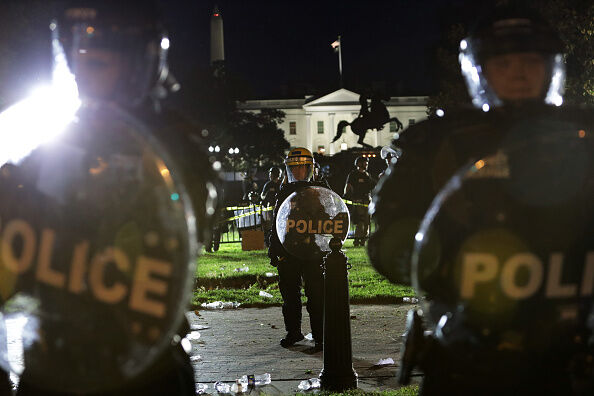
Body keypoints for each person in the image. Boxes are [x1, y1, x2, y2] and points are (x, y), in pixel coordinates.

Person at [369, 5, 594, 394]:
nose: (518, 73)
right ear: (481, 70)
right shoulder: (436, 143)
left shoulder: (585, 136)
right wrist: (447, 263)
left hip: (577, 349)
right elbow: (391, 237)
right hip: (468, 349)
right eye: (504, 62)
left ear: (550, 68)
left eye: (530, 61)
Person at [0, 1, 218, 394]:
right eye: (80, 57)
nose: (86, 71)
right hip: (54, 355)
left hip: (141, 359)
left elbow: (181, 230)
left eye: (101, 61)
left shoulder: (173, 146)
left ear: (139, 61)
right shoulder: (60, 143)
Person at [268, 148, 325, 350]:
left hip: (313, 251)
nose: (299, 172)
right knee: (290, 297)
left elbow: (327, 220)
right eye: (294, 168)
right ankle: (293, 332)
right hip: (288, 250)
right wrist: (274, 250)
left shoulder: (320, 189)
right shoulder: (284, 191)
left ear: (309, 168)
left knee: (317, 296)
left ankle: (320, 336)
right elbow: (277, 223)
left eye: (302, 167)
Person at [344, 156, 375, 247]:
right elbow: (348, 186)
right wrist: (348, 196)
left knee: (367, 221)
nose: (366, 165)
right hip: (358, 201)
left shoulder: (367, 175)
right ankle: (357, 239)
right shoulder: (354, 174)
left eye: (367, 163)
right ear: (358, 163)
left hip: (367, 200)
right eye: (364, 163)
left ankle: (363, 240)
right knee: (360, 220)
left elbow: (372, 186)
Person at [260, 167, 282, 247]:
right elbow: (262, 196)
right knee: (270, 226)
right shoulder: (268, 185)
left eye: (271, 173)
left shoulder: (281, 184)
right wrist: (268, 192)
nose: (270, 175)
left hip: (280, 208)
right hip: (270, 208)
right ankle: (269, 242)